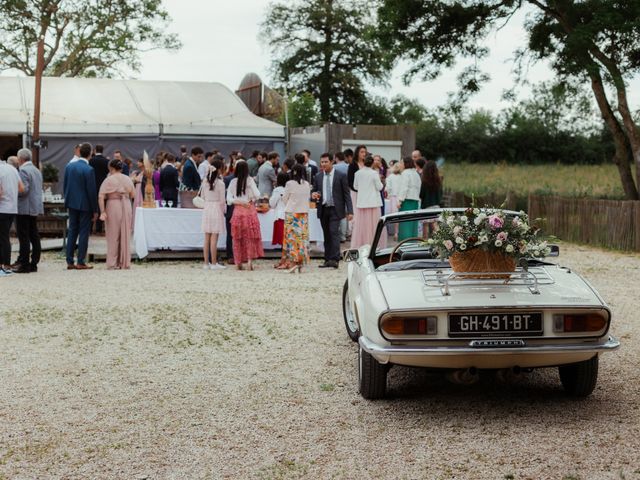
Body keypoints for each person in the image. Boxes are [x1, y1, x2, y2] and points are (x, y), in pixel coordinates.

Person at [312, 153, 353, 268]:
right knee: (326, 235)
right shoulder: (318, 176)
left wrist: (350, 211)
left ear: (331, 162)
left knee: (333, 232)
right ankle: (327, 259)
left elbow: (346, 194)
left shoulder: (341, 175)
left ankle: (335, 259)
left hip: (336, 209)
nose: (324, 164)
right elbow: (314, 192)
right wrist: (313, 195)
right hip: (323, 209)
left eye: (326, 162)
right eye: (322, 162)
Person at [63, 142, 98, 270]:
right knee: (83, 232)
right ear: (90, 153)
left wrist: (66, 201)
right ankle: (81, 261)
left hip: (71, 203)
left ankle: (69, 261)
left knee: (72, 231)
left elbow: (65, 186)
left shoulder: (69, 166)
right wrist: (95, 209)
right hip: (85, 205)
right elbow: (91, 191)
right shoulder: (89, 169)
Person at [226, 160, 263, 270]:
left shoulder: (233, 182)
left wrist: (239, 201)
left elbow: (228, 199)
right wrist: (249, 198)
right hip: (250, 211)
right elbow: (258, 195)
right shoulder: (250, 180)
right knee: (250, 238)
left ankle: (238, 262)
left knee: (237, 238)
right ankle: (249, 261)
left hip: (237, 212)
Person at [98, 159, 135, 269]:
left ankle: (112, 263)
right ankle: (124, 262)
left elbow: (101, 196)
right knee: (125, 233)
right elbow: (133, 195)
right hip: (126, 205)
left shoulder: (108, 180)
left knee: (113, 234)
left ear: (111, 168)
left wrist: (102, 211)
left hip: (113, 205)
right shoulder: (128, 179)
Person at [13, 149, 43, 273]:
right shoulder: (36, 170)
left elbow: (24, 190)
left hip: (25, 207)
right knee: (34, 236)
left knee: (24, 236)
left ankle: (24, 264)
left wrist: (13, 190)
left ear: (20, 159)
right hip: (34, 207)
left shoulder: (23, 170)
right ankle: (34, 263)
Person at [281, 164, 311, 273]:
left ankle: (293, 263)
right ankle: (301, 263)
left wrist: (289, 204)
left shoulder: (290, 184)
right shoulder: (307, 184)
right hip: (303, 214)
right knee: (302, 239)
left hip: (292, 213)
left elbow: (285, 198)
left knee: (292, 239)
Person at [351, 155, 384, 249]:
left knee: (362, 227)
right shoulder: (374, 173)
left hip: (362, 203)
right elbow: (379, 187)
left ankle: (362, 245)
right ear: (372, 163)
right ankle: (373, 246)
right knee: (373, 227)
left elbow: (355, 187)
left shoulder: (358, 173)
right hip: (373, 203)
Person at [0, 156, 24, 277]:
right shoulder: (12, 169)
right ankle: (6, 265)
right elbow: (21, 188)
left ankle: (3, 266)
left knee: (2, 238)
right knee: (5, 237)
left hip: (2, 208)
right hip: (12, 208)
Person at [201, 157, 226, 270]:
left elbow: (202, 197)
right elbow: (222, 201)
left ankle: (206, 263)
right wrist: (223, 211)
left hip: (207, 208)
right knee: (214, 238)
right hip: (216, 208)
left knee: (206, 237)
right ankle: (214, 263)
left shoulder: (205, 181)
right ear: (219, 169)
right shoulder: (220, 183)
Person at [396, 156, 422, 241]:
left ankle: (404, 243)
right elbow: (419, 187)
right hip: (415, 201)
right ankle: (413, 242)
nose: (400, 164)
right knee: (413, 223)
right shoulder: (416, 173)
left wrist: (400, 201)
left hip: (407, 201)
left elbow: (404, 188)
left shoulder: (405, 173)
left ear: (405, 164)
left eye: (401, 162)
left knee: (405, 224)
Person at [419, 159, 443, 240]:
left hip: (426, 205)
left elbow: (421, 194)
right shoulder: (439, 180)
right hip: (436, 205)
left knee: (425, 225)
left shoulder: (424, 181)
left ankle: (424, 242)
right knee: (435, 224)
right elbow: (441, 194)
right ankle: (439, 240)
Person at [90, 144, 109, 234]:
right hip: (103, 185)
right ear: (102, 150)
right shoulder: (106, 161)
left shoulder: (91, 160)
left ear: (95, 150)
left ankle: (90, 228)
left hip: (92, 185)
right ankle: (99, 228)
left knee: (92, 205)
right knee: (102, 206)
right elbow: (108, 173)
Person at [269, 172, 289, 256]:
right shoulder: (290, 189)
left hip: (280, 214)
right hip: (289, 214)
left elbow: (272, 203)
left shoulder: (278, 190)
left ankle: (283, 251)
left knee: (281, 235)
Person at [384, 162, 402, 239]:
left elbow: (387, 188)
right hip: (401, 197)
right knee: (401, 216)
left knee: (395, 216)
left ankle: (395, 233)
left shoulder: (390, 177)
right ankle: (399, 233)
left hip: (393, 198)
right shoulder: (402, 176)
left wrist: (388, 194)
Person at [223, 164, 236, 265]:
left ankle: (231, 256)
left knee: (230, 234)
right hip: (236, 209)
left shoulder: (227, 179)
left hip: (230, 209)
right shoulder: (247, 180)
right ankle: (237, 255)